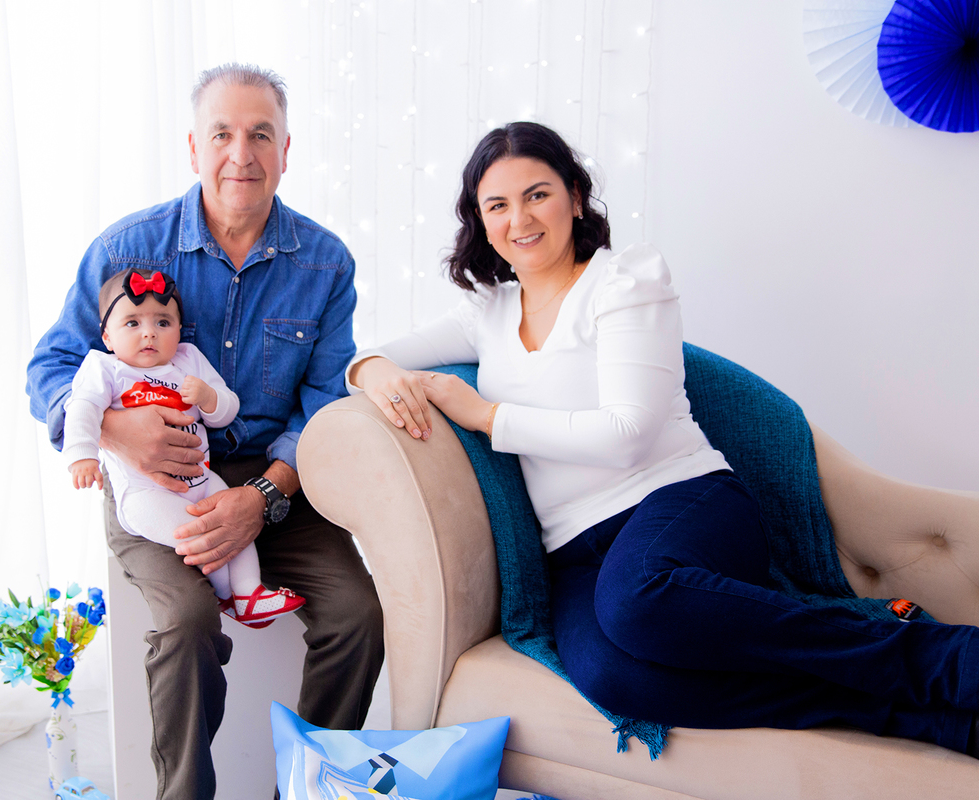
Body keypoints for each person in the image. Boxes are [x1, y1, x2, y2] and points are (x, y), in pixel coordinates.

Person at [350, 121, 979, 755]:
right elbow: (366, 355)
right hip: (575, 549)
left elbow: (627, 435)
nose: (520, 218)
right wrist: (372, 370)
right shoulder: (485, 313)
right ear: (480, 222)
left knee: (637, 601)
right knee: (613, 676)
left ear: (573, 194)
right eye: (498, 205)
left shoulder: (625, 282)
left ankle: (943, 658)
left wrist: (488, 417)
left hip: (682, 500)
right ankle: (937, 722)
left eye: (537, 194)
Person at [27, 63, 384, 799]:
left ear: (288, 150)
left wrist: (261, 496)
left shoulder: (325, 263)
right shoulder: (128, 248)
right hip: (152, 484)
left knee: (358, 616)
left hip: (277, 482)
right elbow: (52, 366)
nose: (241, 155)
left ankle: (310, 789)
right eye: (222, 134)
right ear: (194, 148)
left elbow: (323, 404)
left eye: (261, 135)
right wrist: (120, 433)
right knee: (187, 624)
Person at [63, 267, 306, 628]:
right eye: (132, 323)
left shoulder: (188, 360)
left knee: (230, 520)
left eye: (163, 322)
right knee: (200, 535)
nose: (149, 332)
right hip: (146, 491)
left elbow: (228, 410)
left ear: (179, 330)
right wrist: (81, 456)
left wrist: (209, 398)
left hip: (202, 478)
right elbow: (81, 408)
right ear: (107, 337)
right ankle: (229, 595)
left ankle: (249, 592)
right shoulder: (105, 369)